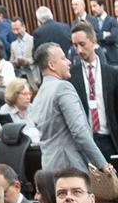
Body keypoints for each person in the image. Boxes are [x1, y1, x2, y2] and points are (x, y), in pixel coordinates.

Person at [29, 42, 108, 175]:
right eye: (63, 58)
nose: (69, 62)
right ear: (52, 65)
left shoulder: (38, 95)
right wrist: (102, 164)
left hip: (49, 166)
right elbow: (79, 131)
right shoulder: (63, 87)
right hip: (70, 167)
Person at [67, 21, 118, 157]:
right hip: (84, 143)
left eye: (82, 44)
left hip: (109, 140)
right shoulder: (71, 75)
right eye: (75, 46)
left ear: (93, 42)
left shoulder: (111, 73)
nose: (79, 50)